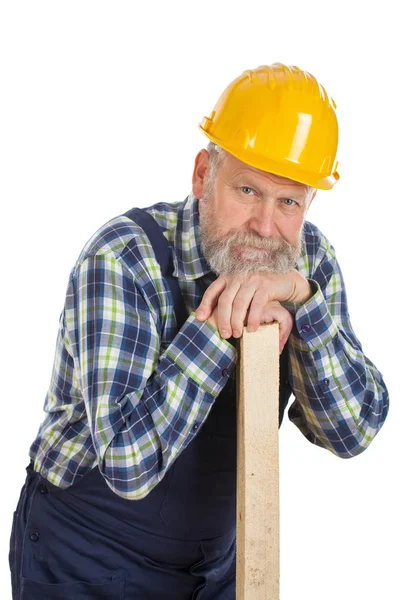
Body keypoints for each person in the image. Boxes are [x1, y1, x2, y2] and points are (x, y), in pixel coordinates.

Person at [9, 63, 389, 599]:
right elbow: (126, 462)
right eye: (247, 190)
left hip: (211, 565)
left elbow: (352, 432)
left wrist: (305, 304)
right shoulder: (124, 259)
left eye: (288, 202)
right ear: (202, 176)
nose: (264, 225)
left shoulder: (307, 265)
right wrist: (217, 324)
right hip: (87, 553)